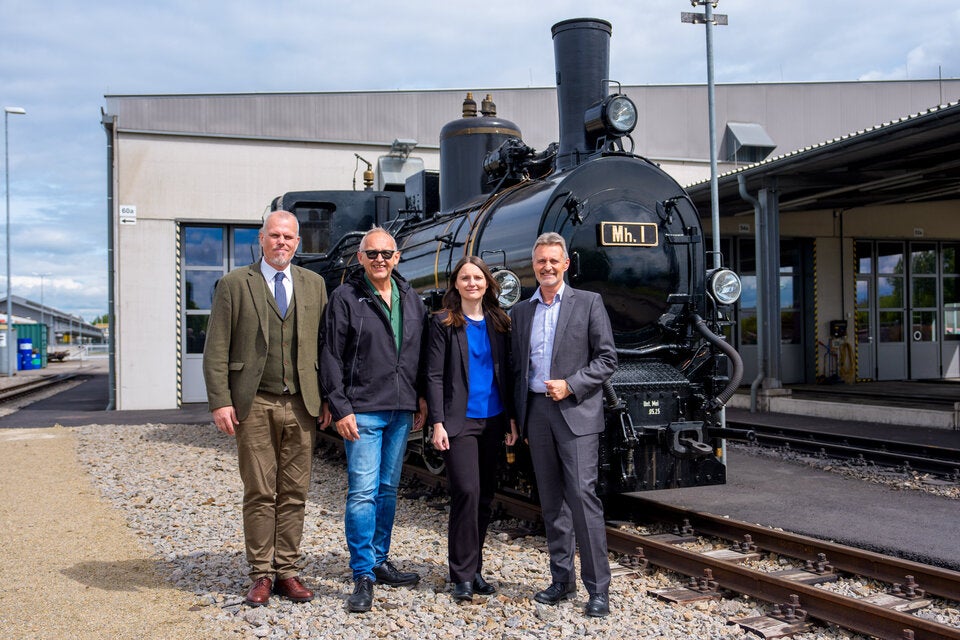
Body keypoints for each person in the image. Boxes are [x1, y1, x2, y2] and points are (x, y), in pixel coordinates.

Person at [202, 210, 329, 607]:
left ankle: (287, 570)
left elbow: (325, 349)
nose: (282, 243)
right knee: (260, 490)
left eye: (289, 237)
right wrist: (220, 400)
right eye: (275, 236)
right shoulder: (234, 284)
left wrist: (328, 398)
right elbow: (216, 348)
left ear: (297, 242)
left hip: (303, 403)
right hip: (253, 402)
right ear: (261, 239)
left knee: (294, 491)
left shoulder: (315, 284)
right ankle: (261, 572)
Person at [319, 226, 428, 613]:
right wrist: (340, 406)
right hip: (362, 409)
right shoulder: (346, 298)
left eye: (386, 253)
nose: (380, 259)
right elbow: (330, 354)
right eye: (372, 253)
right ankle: (362, 571)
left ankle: (380, 560)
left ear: (397, 257)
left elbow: (419, 354)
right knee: (362, 492)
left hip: (400, 410)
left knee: (386, 490)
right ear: (360, 258)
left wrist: (421, 398)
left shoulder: (412, 299)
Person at [510, 232, 618, 618]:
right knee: (552, 501)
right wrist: (514, 415)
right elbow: (516, 369)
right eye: (541, 261)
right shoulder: (522, 311)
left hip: (575, 413)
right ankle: (562, 580)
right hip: (536, 414)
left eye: (553, 260)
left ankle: (598, 590)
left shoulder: (588, 303)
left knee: (582, 499)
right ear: (534, 264)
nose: (547, 267)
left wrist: (571, 384)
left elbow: (607, 360)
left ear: (566, 263)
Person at [426, 256, 518, 603]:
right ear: (456, 284)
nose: (472, 283)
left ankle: (475, 569)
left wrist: (511, 418)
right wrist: (437, 422)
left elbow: (506, 373)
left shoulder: (499, 321)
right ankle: (461, 574)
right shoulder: (443, 322)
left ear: (487, 283)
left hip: (494, 419)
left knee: (485, 497)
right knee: (465, 492)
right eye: (465, 278)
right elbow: (433, 375)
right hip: (459, 421)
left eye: (477, 277)